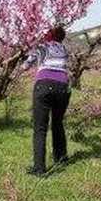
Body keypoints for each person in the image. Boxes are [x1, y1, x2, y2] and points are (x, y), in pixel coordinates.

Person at [22, 25, 71, 177]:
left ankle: (39, 168)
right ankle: (61, 158)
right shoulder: (64, 49)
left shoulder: (41, 47)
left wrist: (27, 60)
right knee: (57, 123)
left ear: (48, 36)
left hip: (44, 86)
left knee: (40, 128)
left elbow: (25, 66)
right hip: (63, 87)